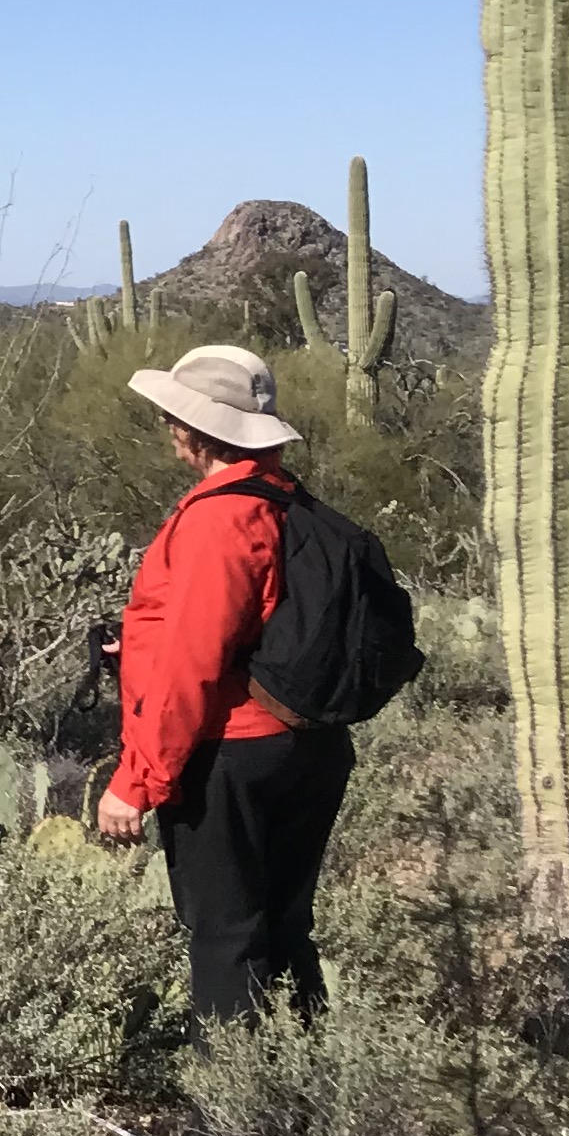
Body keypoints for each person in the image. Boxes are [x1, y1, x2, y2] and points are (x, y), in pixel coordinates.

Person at [98, 343, 350, 1025]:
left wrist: (137, 779)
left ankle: (230, 1126)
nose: (169, 430)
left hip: (233, 753)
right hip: (310, 744)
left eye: (174, 418)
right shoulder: (283, 498)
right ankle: (308, 1095)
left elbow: (193, 663)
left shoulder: (218, 518)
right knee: (284, 927)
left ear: (195, 430)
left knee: (228, 938)